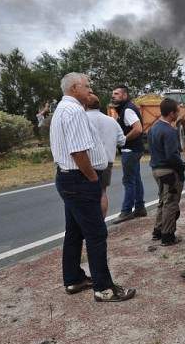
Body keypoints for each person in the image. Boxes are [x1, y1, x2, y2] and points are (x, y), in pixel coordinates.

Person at [50, 72, 135, 302]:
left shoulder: (63, 109)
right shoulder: (75, 111)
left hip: (69, 178)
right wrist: (92, 178)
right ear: (75, 87)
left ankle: (73, 278)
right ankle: (104, 288)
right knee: (96, 234)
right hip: (79, 179)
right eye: (87, 86)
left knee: (75, 231)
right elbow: (78, 151)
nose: (90, 90)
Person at [148, 98, 185, 246]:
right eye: (177, 111)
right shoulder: (170, 131)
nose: (178, 114)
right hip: (168, 172)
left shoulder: (153, 128)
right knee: (171, 203)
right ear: (171, 113)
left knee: (163, 201)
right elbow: (172, 155)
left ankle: (157, 231)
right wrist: (181, 166)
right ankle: (168, 235)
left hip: (156, 169)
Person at [86, 93, 126, 217]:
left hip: (86, 162)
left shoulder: (82, 119)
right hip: (106, 161)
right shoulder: (111, 121)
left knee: (86, 194)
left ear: (85, 105)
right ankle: (101, 221)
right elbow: (122, 141)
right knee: (102, 192)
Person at [111, 85, 147, 224]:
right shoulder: (126, 108)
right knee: (136, 179)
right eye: (113, 93)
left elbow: (138, 129)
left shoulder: (127, 110)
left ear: (125, 95)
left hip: (130, 150)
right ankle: (140, 208)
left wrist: (124, 140)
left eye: (116, 93)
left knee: (129, 181)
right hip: (134, 150)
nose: (113, 96)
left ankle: (126, 211)